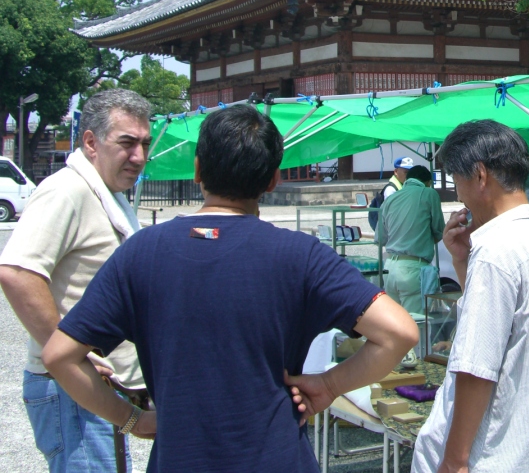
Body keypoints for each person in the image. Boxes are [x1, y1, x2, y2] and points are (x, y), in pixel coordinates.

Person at [41, 105, 419, 472]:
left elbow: (60, 356)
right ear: (273, 179)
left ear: (197, 170)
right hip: (278, 457)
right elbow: (398, 332)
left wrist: (131, 419)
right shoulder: (300, 255)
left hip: (179, 458)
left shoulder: (140, 252)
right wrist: (330, 384)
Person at [0, 89, 151, 472]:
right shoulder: (66, 190)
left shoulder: (105, 193)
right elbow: (17, 271)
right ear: (91, 142)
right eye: (127, 143)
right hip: (71, 389)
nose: (138, 156)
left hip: (92, 389)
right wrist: (70, 355)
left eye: (145, 144)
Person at [412, 120, 529, 473]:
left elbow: (477, 367)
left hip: (489, 454)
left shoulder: (497, 251)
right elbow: (505, 326)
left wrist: (454, 459)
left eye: (457, 181)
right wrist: (462, 261)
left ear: (480, 176)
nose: (459, 195)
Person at [376, 164, 445, 314]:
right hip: (413, 269)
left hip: (389, 268)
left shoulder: (390, 199)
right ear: (428, 182)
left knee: (393, 323)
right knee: (415, 324)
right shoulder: (429, 193)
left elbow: (380, 238)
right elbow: (439, 231)